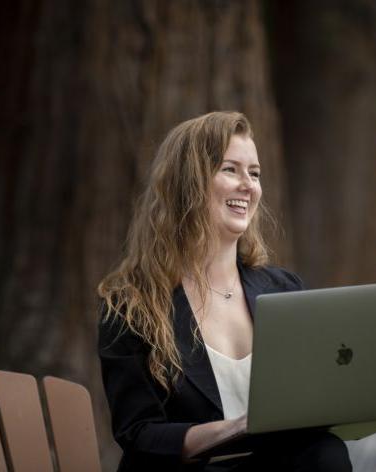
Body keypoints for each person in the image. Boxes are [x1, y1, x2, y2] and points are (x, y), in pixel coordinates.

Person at [97, 111, 352, 471]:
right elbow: (138, 433)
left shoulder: (284, 290)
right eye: (230, 169)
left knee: (326, 451)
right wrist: (234, 429)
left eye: (255, 173)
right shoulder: (131, 304)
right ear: (188, 182)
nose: (248, 185)